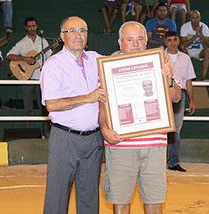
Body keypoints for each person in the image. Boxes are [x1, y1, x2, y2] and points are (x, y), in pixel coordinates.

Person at [100, 21, 181, 214]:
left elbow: (176, 97)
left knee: (154, 198)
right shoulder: (107, 67)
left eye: (140, 39)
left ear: (146, 41)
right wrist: (104, 130)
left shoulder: (161, 63)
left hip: (155, 144)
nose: (135, 44)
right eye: (129, 39)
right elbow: (102, 104)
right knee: (120, 199)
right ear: (120, 43)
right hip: (120, 144)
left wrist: (169, 79)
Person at [40, 16, 106, 214]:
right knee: (57, 196)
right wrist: (88, 97)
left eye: (83, 31)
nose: (78, 35)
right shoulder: (53, 65)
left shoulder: (96, 58)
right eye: (72, 31)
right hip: (64, 139)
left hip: (93, 139)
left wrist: (159, 66)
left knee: (89, 197)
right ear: (62, 36)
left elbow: (123, 65)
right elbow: (51, 104)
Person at [7, 17, 52, 138]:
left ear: (36, 27)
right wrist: (24, 59)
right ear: (25, 28)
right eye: (29, 26)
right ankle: (30, 132)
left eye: (34, 26)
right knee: (28, 108)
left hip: (41, 79)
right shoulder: (22, 43)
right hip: (26, 78)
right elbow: (9, 55)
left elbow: (51, 58)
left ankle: (46, 133)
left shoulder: (43, 42)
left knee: (43, 108)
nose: (32, 28)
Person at [164, 31, 195, 172]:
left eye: (175, 39)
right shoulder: (159, 57)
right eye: (169, 40)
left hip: (180, 95)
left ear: (178, 41)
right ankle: (156, 162)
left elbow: (188, 81)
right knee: (160, 129)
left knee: (176, 129)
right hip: (162, 94)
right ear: (165, 42)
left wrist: (192, 100)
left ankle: (173, 162)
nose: (172, 42)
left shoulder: (185, 58)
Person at [180, 10, 209, 80]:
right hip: (187, 50)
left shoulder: (205, 27)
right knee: (181, 47)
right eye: (193, 18)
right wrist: (195, 36)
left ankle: (204, 77)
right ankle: (188, 75)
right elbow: (183, 45)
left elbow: (206, 45)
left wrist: (201, 35)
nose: (196, 20)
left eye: (197, 17)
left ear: (200, 18)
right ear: (190, 18)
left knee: (208, 51)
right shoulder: (184, 27)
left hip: (199, 51)